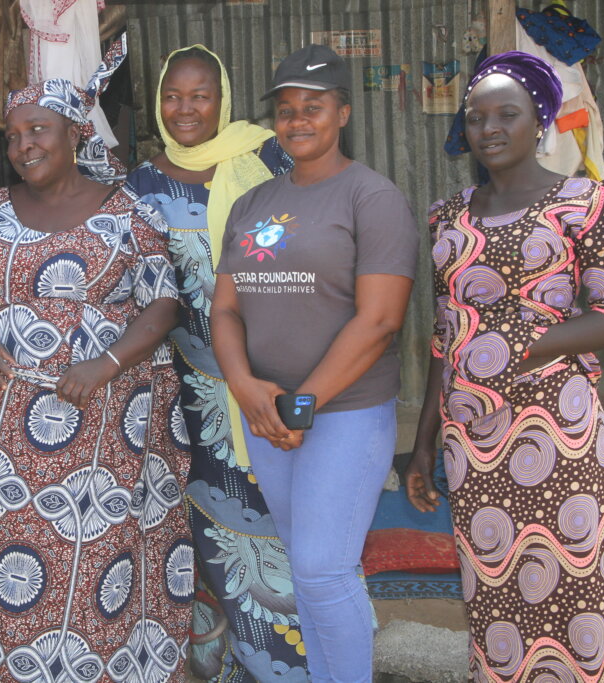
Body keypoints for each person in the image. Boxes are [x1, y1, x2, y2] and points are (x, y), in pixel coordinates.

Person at [0, 37, 193, 683]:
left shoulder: (125, 213)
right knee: (21, 563)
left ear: (76, 134)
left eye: (39, 130)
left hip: (106, 435)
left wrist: (104, 362)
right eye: (15, 134)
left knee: (104, 562)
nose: (25, 144)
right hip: (13, 445)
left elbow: (164, 303)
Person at [210, 44, 418, 682]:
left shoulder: (371, 198)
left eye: (314, 108)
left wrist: (301, 403)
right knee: (311, 571)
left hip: (344, 414)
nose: (298, 120)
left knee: (325, 569)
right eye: (286, 109)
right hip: (269, 417)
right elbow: (226, 311)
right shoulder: (253, 205)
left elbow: (380, 320)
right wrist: (246, 388)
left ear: (344, 113)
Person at [406, 51, 604, 682]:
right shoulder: (447, 214)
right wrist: (421, 449)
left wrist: (523, 347)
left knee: (574, 579)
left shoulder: (585, 202)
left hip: (558, 427)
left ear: (541, 120)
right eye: (476, 117)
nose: (488, 128)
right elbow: (444, 336)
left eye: (507, 114)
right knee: (492, 588)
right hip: (473, 438)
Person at [126, 45, 307, 681]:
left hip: (269, 378)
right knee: (201, 536)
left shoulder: (267, 159)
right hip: (186, 396)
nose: (185, 109)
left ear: (223, 98)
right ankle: (219, 664)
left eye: (200, 95)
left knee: (289, 526)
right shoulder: (139, 186)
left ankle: (297, 662)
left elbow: (305, 249)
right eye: (173, 95)